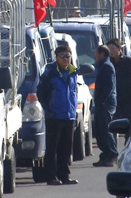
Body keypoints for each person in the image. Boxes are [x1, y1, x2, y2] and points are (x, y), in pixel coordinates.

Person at [37, 45, 79, 186]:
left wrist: (74, 111)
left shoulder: (73, 72)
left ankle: (64, 175)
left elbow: (74, 93)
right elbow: (41, 93)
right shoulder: (50, 73)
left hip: (69, 116)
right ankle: (51, 177)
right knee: (52, 149)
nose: (66, 59)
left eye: (68, 56)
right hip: (54, 116)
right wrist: (48, 110)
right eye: (62, 56)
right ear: (56, 57)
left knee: (66, 149)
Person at [106, 38, 131, 141]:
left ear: (119, 49)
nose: (110, 52)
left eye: (112, 48)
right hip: (114, 100)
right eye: (108, 49)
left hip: (128, 99)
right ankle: (113, 152)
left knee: (130, 126)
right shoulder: (107, 65)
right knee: (112, 126)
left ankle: (129, 146)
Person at [92, 45, 118, 167]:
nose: (94, 55)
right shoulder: (102, 66)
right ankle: (105, 155)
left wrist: (102, 100)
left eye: (96, 53)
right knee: (99, 130)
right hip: (101, 103)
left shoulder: (107, 67)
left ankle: (112, 153)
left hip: (106, 104)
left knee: (105, 129)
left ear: (102, 53)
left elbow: (109, 86)